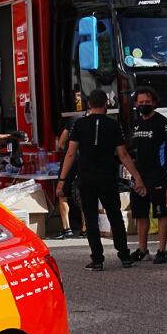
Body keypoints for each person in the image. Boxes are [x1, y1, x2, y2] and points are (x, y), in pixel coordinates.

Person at [57, 89, 142, 270]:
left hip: (86, 177)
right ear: (106, 104)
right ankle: (124, 255)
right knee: (115, 216)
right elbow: (123, 154)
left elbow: (70, 153)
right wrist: (137, 177)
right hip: (107, 177)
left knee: (91, 218)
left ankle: (97, 259)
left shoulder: (79, 125)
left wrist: (62, 179)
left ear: (89, 105)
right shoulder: (113, 125)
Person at [128, 86, 167, 263]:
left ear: (154, 103)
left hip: (157, 175)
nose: (144, 105)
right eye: (141, 102)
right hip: (139, 177)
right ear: (136, 104)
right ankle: (142, 250)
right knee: (140, 214)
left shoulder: (162, 123)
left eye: (147, 102)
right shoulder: (135, 124)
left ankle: (162, 250)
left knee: (160, 212)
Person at [54, 114, 84, 239]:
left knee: (62, 192)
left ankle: (67, 229)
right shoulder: (94, 122)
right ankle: (86, 229)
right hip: (85, 160)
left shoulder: (73, 120)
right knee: (85, 193)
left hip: (69, 160)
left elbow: (60, 144)